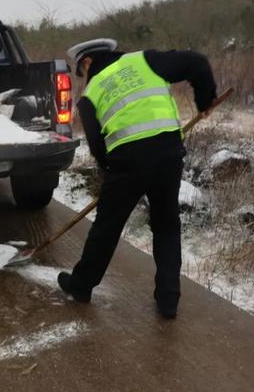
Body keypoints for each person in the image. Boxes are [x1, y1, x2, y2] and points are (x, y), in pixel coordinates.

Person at [58, 38, 217, 319]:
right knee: (166, 225)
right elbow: (197, 63)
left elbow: (97, 145)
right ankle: (168, 300)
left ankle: (81, 286)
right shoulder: (144, 60)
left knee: (107, 227)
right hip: (169, 154)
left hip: (127, 162)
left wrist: (111, 171)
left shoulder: (90, 95)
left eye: (81, 72)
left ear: (86, 62)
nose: (84, 78)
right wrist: (205, 101)